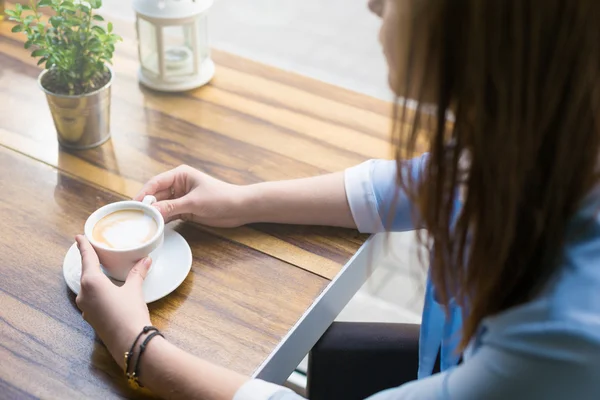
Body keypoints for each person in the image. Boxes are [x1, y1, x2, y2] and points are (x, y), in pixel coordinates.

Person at [73, 0, 600, 398]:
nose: (372, 3)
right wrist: (240, 201)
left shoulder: (567, 336)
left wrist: (135, 344)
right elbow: (410, 185)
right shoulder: (543, 133)